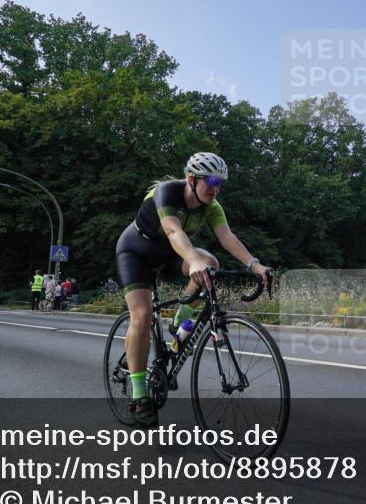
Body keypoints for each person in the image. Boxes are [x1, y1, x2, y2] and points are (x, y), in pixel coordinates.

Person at [115, 152, 272, 428]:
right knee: (141, 314)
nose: (216, 188)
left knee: (211, 262)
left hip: (170, 254)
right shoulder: (166, 192)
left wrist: (254, 265)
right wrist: (193, 259)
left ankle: (181, 317)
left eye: (220, 182)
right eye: (211, 181)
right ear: (192, 179)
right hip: (136, 252)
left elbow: (227, 237)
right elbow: (174, 232)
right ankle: (140, 396)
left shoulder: (212, 206)